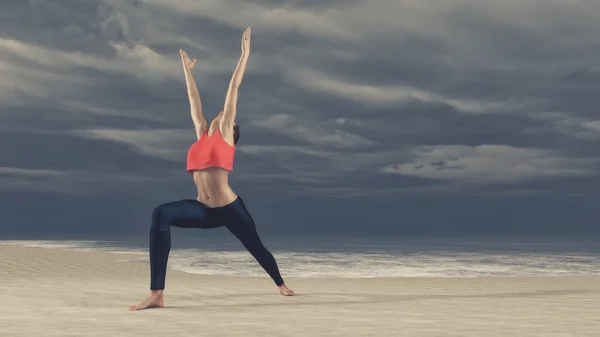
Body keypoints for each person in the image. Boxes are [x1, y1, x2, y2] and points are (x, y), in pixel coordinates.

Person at [130, 27, 294, 311]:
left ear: (231, 128)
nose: (220, 113)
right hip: (202, 209)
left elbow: (233, 89)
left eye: (225, 116)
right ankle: (157, 293)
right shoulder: (202, 135)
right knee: (161, 214)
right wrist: (188, 72)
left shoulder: (226, 138)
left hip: (230, 209)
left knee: (256, 247)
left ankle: (280, 283)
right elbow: (193, 100)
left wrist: (245, 55)